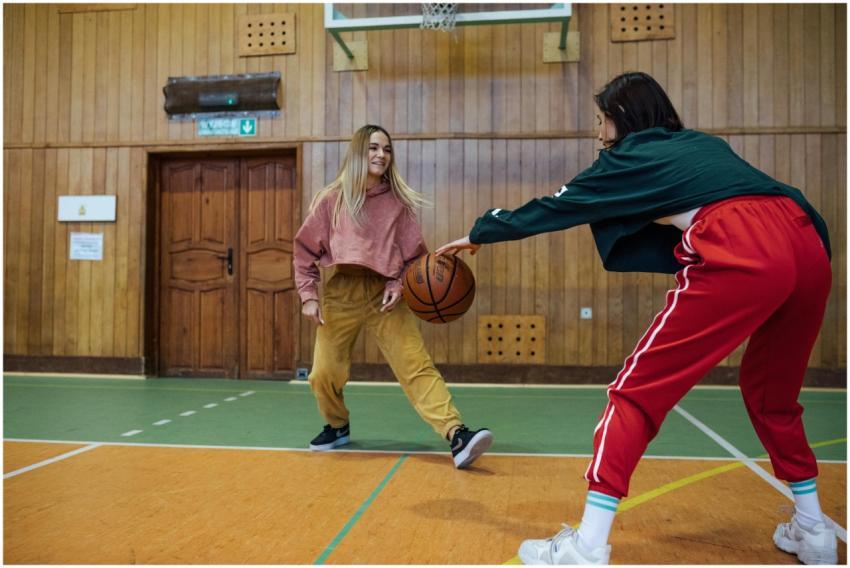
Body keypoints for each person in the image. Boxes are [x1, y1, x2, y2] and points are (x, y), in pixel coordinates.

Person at [436, 72, 837, 564]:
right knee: (772, 396)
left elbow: (556, 207)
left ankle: (586, 546)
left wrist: (483, 232)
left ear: (623, 120)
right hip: (807, 242)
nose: (600, 134)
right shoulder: (700, 144)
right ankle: (814, 532)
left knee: (634, 393)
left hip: (743, 244)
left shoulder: (630, 157)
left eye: (603, 121)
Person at [293, 124, 493, 469]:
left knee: (414, 364)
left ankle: (456, 434)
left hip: (387, 294)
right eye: (373, 148)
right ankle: (337, 425)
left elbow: (416, 258)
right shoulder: (332, 200)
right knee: (323, 372)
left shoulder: (399, 204)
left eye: (386, 150)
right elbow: (303, 250)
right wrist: (308, 295)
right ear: (358, 152)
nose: (381, 155)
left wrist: (399, 284)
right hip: (341, 291)